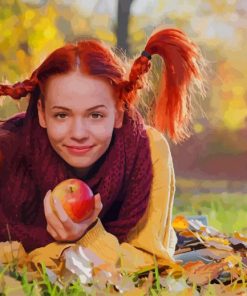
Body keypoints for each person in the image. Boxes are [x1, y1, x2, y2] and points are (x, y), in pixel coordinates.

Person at [0, 28, 205, 272]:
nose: (78, 133)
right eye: (61, 115)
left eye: (95, 115)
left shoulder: (148, 152)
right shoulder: (9, 150)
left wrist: (86, 236)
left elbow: (152, 263)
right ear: (42, 113)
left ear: (119, 112)